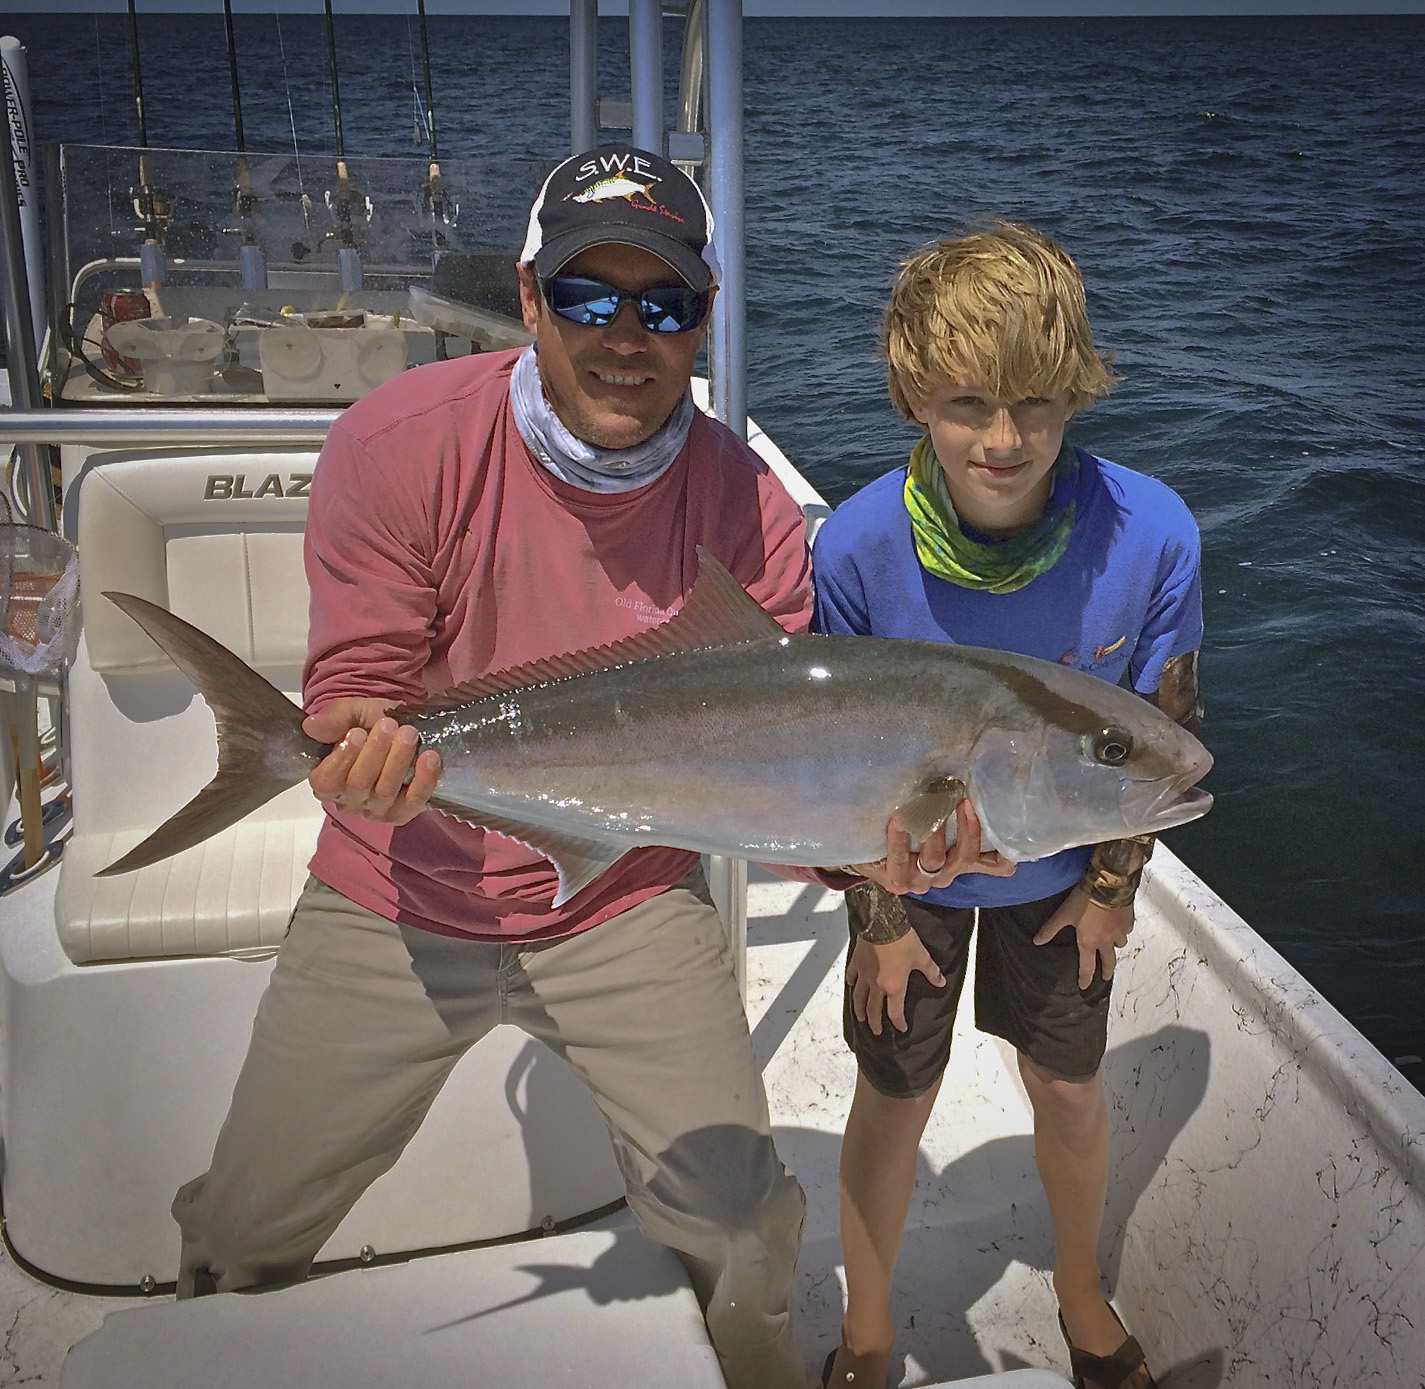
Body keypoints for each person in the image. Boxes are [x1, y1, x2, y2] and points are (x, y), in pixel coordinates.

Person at [170, 143, 829, 1389]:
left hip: (625, 897)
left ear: (704, 318)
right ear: (527, 298)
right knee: (243, 1228)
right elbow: (362, 679)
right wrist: (353, 745)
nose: (626, 336)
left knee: (747, 1228)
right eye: (587, 297)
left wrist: (874, 860)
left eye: (664, 304)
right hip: (401, 884)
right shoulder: (399, 442)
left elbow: (778, 777)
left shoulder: (750, 509)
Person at [813, 223, 1204, 1389]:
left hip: (1066, 873)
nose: (1004, 438)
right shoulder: (857, 545)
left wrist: (1109, 893)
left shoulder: (1154, 535)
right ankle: (868, 1335)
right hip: (903, 877)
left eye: (1037, 403)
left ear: (1077, 389)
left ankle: (1083, 1299)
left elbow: (1166, 738)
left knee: (1071, 1086)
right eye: (968, 402)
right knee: (896, 1094)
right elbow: (834, 765)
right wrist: (881, 920)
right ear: (912, 393)